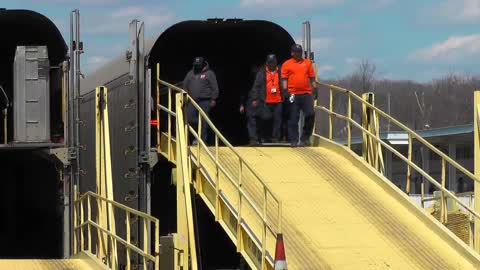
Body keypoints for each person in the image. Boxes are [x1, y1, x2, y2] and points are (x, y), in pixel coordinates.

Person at [281, 44, 316, 147]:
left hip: (306, 93)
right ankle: (294, 140)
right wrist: (285, 90)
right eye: (296, 52)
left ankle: (305, 138)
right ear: (292, 53)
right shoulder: (286, 64)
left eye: (300, 52)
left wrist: (315, 88)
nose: (298, 54)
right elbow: (284, 79)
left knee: (310, 114)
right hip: (293, 94)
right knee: (293, 118)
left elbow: (312, 78)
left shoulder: (307, 63)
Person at [183, 57, 219, 144]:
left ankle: (202, 140)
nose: (197, 67)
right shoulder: (190, 74)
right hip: (192, 101)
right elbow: (185, 86)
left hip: (205, 100)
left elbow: (214, 87)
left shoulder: (209, 74)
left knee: (204, 121)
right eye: (195, 65)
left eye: (198, 65)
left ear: (203, 65)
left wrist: (214, 98)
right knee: (190, 118)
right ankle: (195, 137)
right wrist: (185, 97)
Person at [250, 54, 284, 143]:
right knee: (265, 119)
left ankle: (275, 137)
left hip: (278, 100)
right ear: (267, 63)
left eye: (273, 62)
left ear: (276, 62)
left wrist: (287, 95)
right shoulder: (262, 73)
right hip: (266, 101)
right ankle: (264, 136)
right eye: (270, 62)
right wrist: (254, 98)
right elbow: (256, 86)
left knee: (277, 120)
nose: (271, 64)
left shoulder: (280, 72)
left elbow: (285, 84)